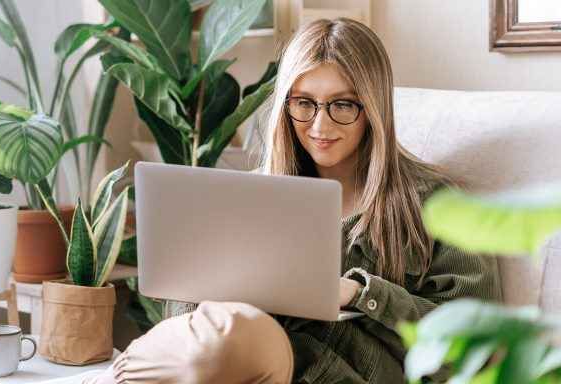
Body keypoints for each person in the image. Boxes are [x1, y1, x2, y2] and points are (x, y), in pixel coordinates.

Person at [84, 18, 500, 384]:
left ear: (372, 107)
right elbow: (184, 324)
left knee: (238, 336)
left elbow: (477, 344)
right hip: (228, 361)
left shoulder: (438, 205)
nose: (320, 125)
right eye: (304, 103)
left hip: (328, 371)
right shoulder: (250, 196)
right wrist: (215, 283)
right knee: (228, 330)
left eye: (342, 105)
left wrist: (357, 293)